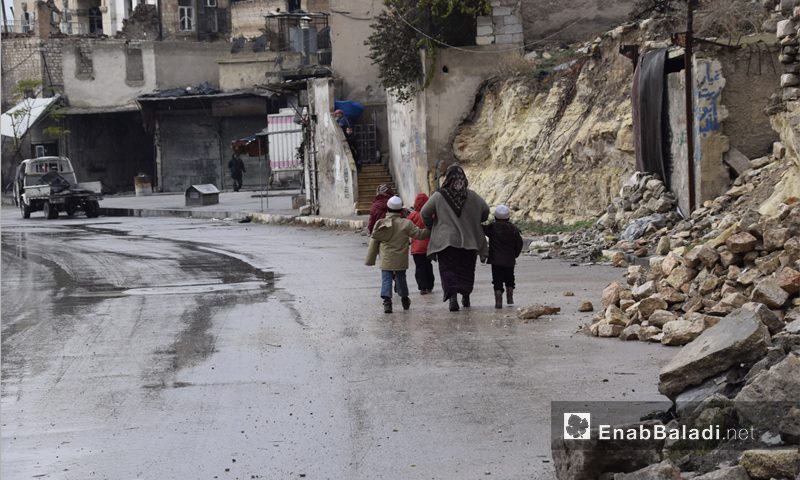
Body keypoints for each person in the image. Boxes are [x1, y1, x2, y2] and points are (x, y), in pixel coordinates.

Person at [421, 164, 489, 312]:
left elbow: (424, 212)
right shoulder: (472, 196)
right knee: (466, 269)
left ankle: (452, 296)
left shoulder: (439, 196)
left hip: (446, 242)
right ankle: (465, 295)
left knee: (448, 269)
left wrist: (432, 226)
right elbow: (486, 211)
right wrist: (475, 219)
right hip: (469, 241)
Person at [365, 196, 430, 313]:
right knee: (401, 278)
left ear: (388, 209)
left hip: (386, 258)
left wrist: (370, 259)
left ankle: (387, 302)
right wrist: (431, 229)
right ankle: (404, 298)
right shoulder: (406, 224)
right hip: (400, 258)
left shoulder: (380, 224)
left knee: (386, 278)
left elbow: (374, 242)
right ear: (401, 210)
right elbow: (419, 234)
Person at [483, 204, 523, 308]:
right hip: (510, 260)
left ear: (495, 217)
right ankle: (510, 299)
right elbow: (519, 244)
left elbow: (481, 228)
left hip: (496, 261)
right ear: (508, 217)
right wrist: (515, 255)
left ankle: (498, 302)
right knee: (510, 279)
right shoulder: (514, 229)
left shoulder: (491, 228)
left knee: (497, 281)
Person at [407, 192, 435, 295]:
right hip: (429, 246)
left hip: (416, 248)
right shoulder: (430, 215)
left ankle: (422, 287)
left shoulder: (412, 215)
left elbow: (407, 227)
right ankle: (430, 285)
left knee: (419, 267)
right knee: (428, 266)